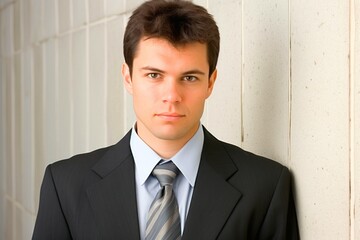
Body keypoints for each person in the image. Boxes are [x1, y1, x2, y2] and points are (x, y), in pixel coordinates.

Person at [32, 0, 300, 239]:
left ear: (210, 82)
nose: (171, 96)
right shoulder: (65, 185)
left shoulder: (266, 186)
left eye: (189, 77)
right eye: (154, 75)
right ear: (128, 77)